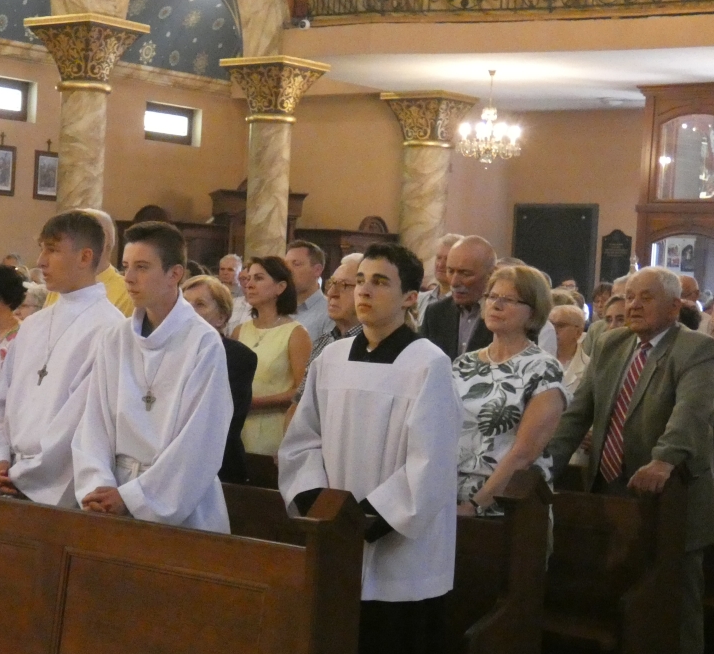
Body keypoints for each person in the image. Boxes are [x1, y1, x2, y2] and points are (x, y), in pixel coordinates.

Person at [280, 242, 462, 654]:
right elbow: (304, 438)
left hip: (398, 549)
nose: (363, 290)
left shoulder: (428, 363)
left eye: (380, 282)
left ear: (410, 297)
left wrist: (364, 519)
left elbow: (430, 462)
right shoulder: (332, 358)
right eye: (360, 280)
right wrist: (319, 504)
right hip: (336, 538)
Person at [545, 267, 714, 654]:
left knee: (676, 604)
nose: (634, 305)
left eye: (646, 297)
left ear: (675, 306)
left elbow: (690, 413)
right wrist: (543, 465)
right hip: (609, 489)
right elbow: (577, 414)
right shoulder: (611, 343)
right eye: (631, 296)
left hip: (672, 497)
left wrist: (663, 460)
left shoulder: (696, 350)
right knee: (616, 597)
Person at [71, 221, 233, 532]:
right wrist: (99, 485)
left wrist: (134, 498)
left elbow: (200, 441)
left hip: (178, 500)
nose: (129, 278)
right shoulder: (115, 338)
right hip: (111, 495)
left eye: (142, 267)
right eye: (126, 267)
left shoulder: (203, 343)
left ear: (175, 274)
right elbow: (94, 422)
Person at [0, 211, 124, 506]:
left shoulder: (110, 329)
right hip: (8, 473)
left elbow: (80, 420)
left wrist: (27, 476)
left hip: (56, 483)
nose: (41, 261)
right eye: (41, 249)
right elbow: (1, 399)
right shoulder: (33, 324)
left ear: (85, 257)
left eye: (53, 250)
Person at [454, 266, 567, 515]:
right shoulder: (463, 364)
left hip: (508, 504)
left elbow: (524, 454)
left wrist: (476, 505)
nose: (496, 305)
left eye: (509, 300)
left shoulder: (543, 369)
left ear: (533, 312)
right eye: (492, 296)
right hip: (449, 497)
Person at [232, 256, 311, 457]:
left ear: (280, 287)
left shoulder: (295, 333)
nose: (249, 284)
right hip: (238, 429)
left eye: (258, 278)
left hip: (273, 430)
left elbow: (302, 390)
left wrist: (256, 402)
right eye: (248, 278)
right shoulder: (240, 331)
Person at [182, 275, 256, 484]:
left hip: (218, 466)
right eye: (185, 304)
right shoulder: (169, 351)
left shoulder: (238, 357)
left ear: (221, 318)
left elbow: (224, 420)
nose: (189, 311)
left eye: (200, 304)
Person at [44, 209, 134, 317]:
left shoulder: (127, 293)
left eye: (53, 250)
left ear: (103, 239)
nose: (41, 261)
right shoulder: (61, 284)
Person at [422, 235, 497, 359]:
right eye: (450, 271)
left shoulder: (505, 315)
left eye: (465, 273)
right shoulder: (435, 313)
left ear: (491, 274)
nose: (454, 282)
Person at [283, 240, 331, 341]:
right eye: (285, 265)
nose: (287, 270)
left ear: (317, 270)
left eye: (296, 264)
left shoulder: (329, 313)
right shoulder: (279, 309)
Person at [416, 234, 462, 325]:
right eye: (438, 258)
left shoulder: (462, 304)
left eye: (447, 259)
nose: (440, 264)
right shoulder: (419, 299)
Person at [549, 303, 590, 392]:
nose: (554, 330)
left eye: (560, 325)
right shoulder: (535, 360)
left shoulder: (589, 367)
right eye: (551, 324)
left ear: (578, 332)